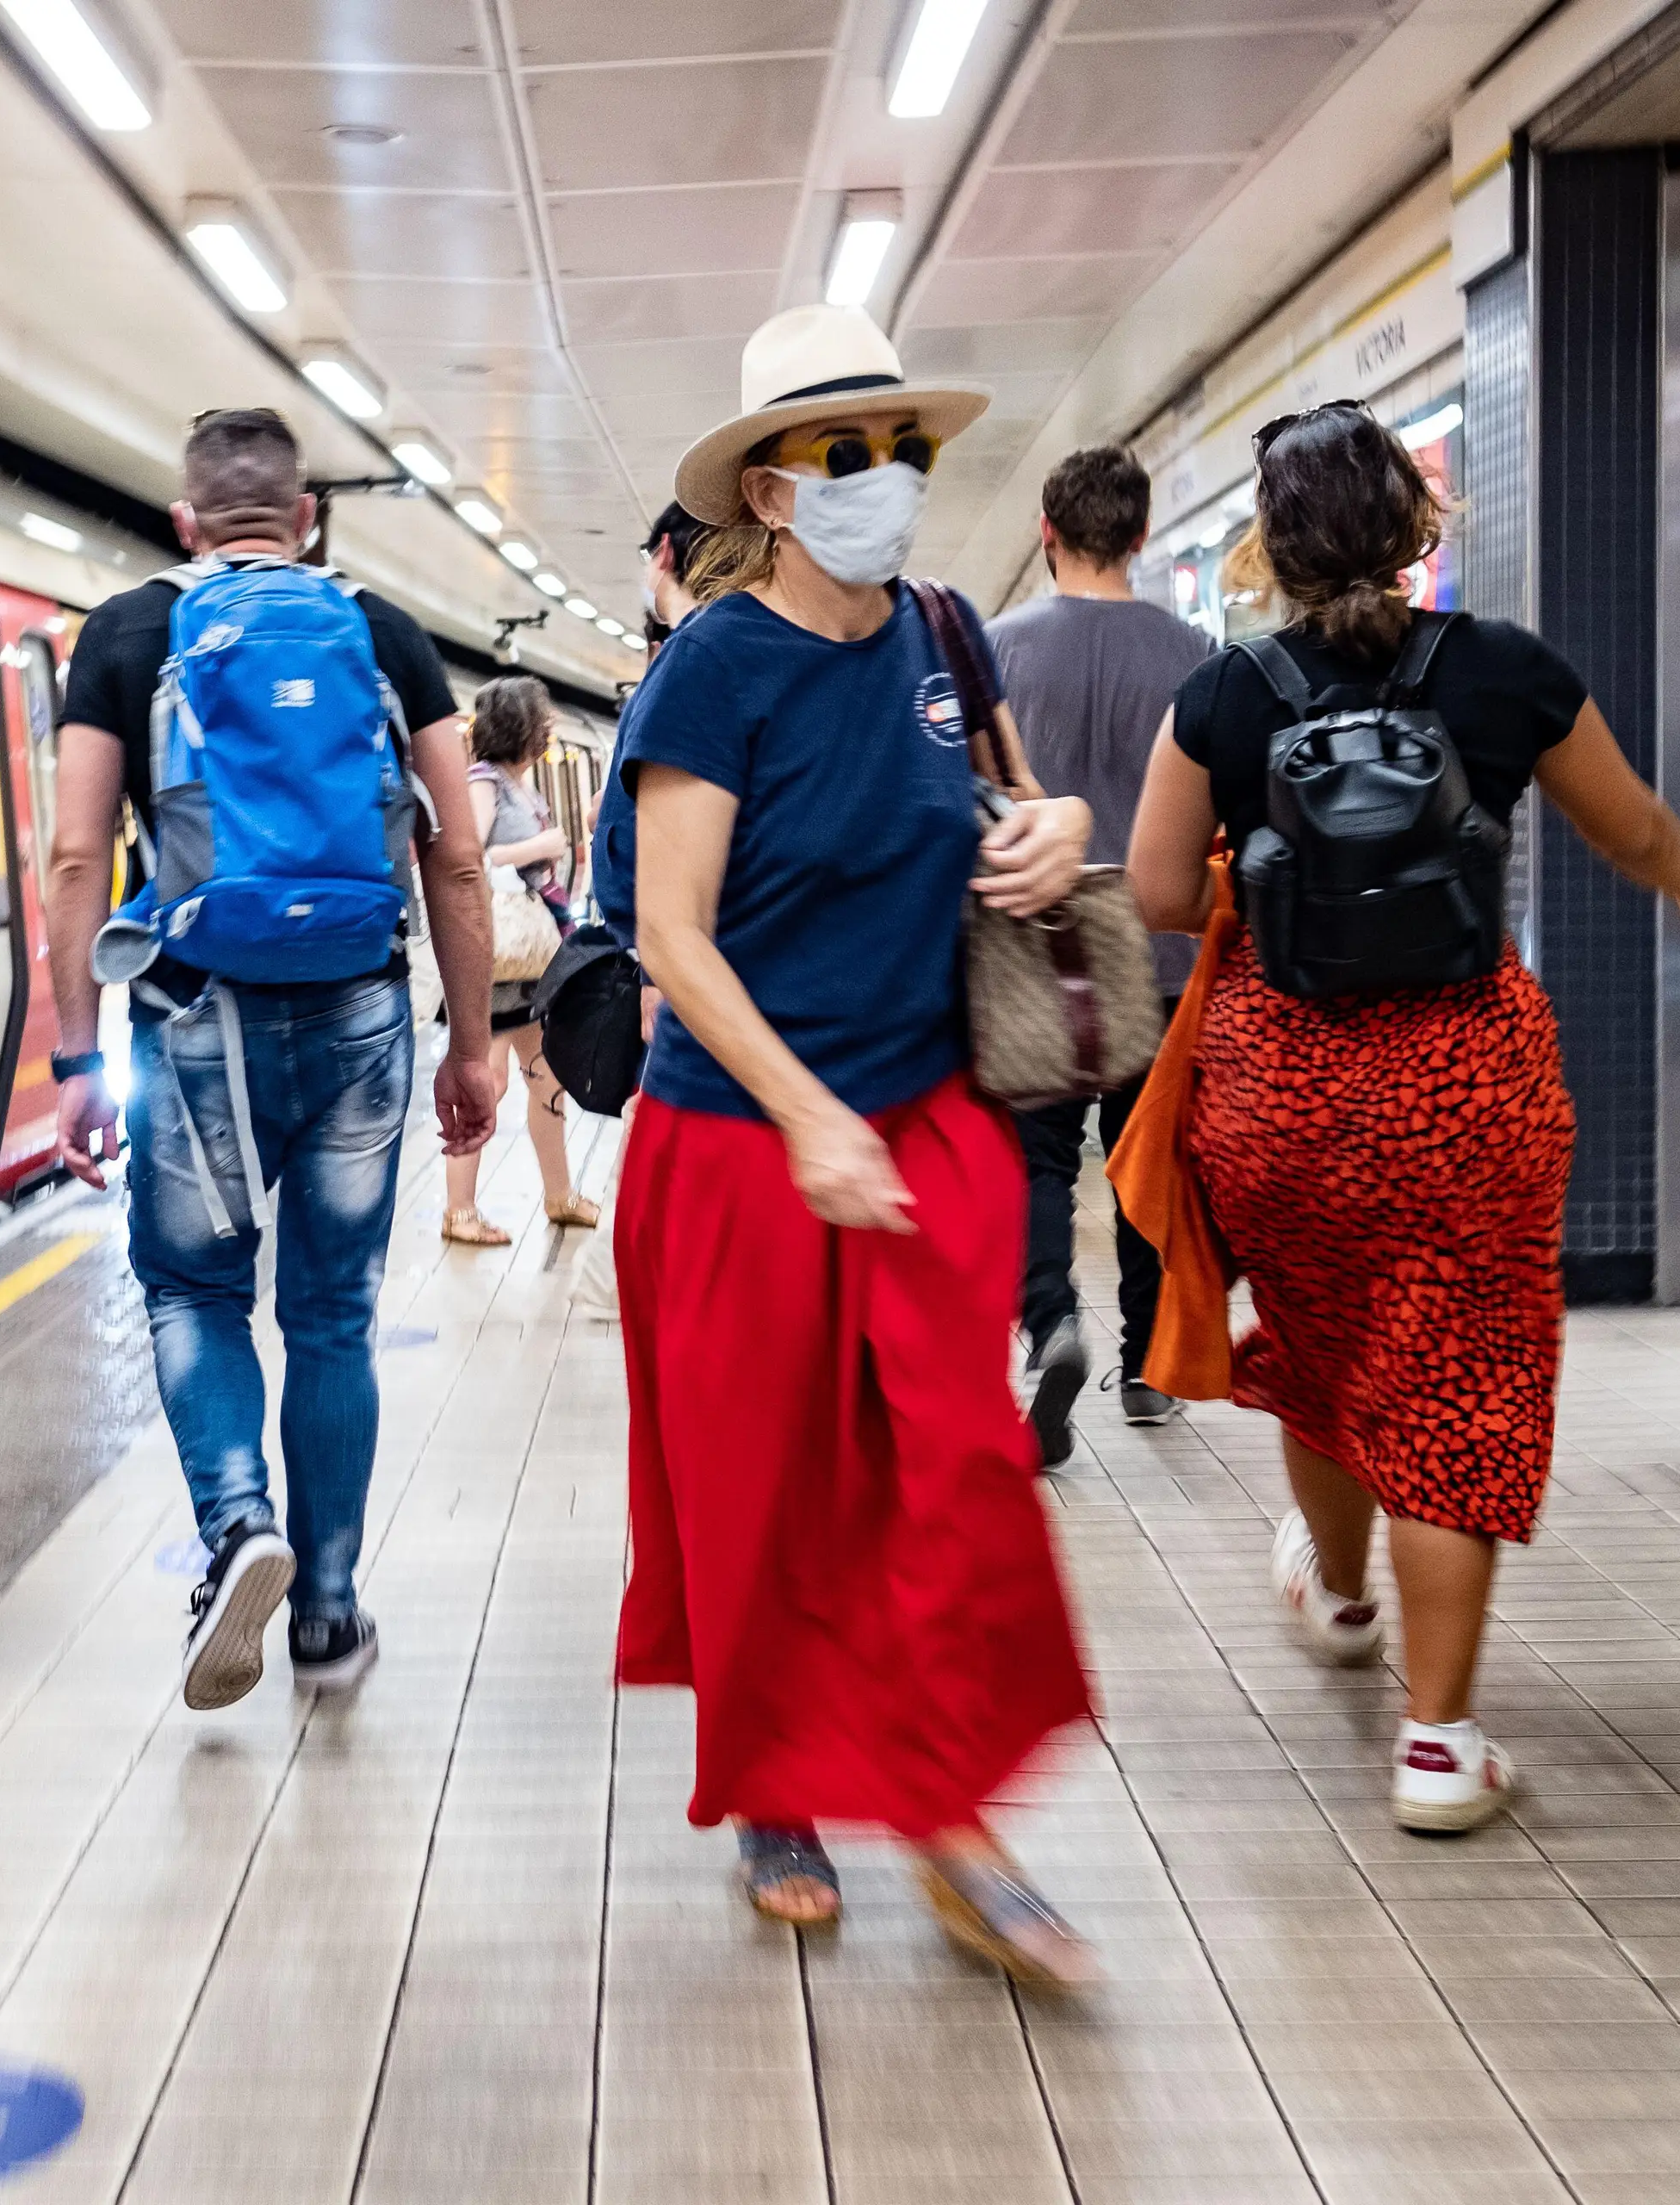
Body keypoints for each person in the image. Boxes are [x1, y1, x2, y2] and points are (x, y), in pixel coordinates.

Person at [1125, 400, 1680, 1835]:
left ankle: (1340, 1599)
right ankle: (1440, 1745)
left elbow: (1158, 894)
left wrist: (1263, 875)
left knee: (1331, 1340)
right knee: (1452, 1381)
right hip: (1466, 1080)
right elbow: (1630, 824)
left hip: (1280, 1086)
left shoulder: (1223, 698)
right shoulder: (1505, 672)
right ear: (1419, 524)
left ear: (1271, 549)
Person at [617, 304, 1097, 1983]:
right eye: (846, 450)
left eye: (905, 447)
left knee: (959, 1473)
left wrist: (1057, 827)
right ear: (770, 480)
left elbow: (1017, 801)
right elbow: (675, 935)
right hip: (745, 1145)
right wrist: (805, 1115)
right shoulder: (716, 667)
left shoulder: (945, 635)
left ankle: (957, 1819)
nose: (884, 477)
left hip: (927, 1122)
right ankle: (777, 1791)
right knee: (767, 1496)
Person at [45, 407, 497, 1711]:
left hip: (194, 1017)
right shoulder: (385, 632)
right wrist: (470, 1045)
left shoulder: (128, 633)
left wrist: (80, 1058)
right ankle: (332, 1612)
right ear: (305, 517)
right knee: (333, 1317)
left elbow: (77, 858)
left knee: (194, 1293)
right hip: (360, 1012)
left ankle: (239, 1523)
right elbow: (456, 858)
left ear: (185, 522)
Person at [986, 448, 1212, 1455]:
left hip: (1034, 942)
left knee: (1035, 1158)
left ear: (1046, 531)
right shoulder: (1196, 652)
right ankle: (1152, 1364)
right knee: (1143, 1152)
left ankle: (1051, 1323)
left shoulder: (992, 649)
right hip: (1158, 944)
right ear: (1140, 535)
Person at [567, 504, 716, 1323]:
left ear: (663, 554)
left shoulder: (685, 669)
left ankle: (627, 1281)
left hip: (698, 992)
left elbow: (629, 859)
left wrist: (653, 963)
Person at [443, 674, 597, 1246]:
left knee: (546, 1078)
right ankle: (459, 1210)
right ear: (520, 725)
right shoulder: (485, 781)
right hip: (497, 959)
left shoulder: (520, 785)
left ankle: (560, 1196)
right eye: (543, 718)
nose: (550, 726)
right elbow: (471, 856)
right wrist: (540, 848)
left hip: (531, 957)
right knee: (490, 1080)